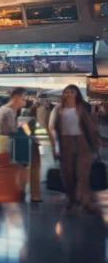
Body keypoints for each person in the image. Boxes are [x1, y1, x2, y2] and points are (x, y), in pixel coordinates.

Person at [48, 84, 100, 213]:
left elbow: (89, 128)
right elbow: (52, 128)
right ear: (63, 94)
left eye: (72, 92)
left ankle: (86, 202)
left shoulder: (80, 109)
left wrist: (95, 146)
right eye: (67, 92)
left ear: (77, 94)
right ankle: (71, 199)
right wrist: (54, 146)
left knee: (83, 176)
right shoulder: (58, 109)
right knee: (68, 175)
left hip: (82, 144)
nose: (69, 95)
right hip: (66, 145)